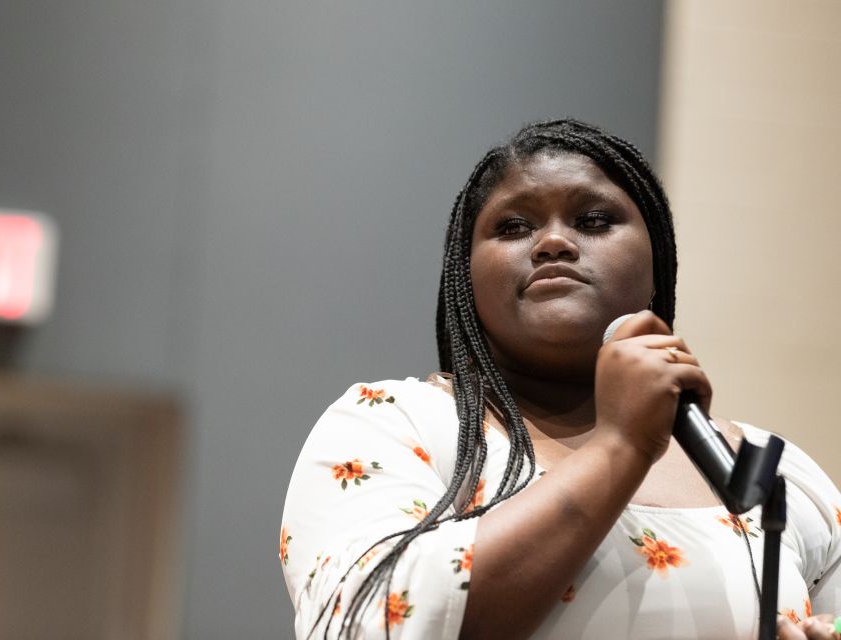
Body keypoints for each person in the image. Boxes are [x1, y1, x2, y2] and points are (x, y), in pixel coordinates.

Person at [279, 119, 841, 639]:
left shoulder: (778, 472)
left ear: (656, 261)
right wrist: (620, 446)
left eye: (593, 220)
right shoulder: (392, 425)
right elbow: (365, 623)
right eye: (513, 227)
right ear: (466, 278)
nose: (553, 242)